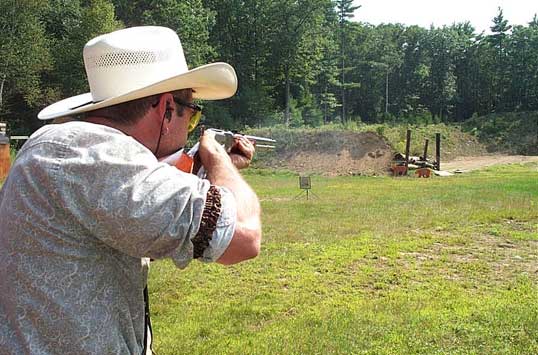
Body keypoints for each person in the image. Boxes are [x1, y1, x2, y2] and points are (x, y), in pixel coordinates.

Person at [0, 26, 261, 354]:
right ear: (166, 107)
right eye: (191, 116)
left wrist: (217, 172)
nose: (189, 127)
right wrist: (219, 158)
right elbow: (243, 237)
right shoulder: (100, 155)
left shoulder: (62, 146)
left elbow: (144, 230)